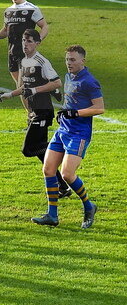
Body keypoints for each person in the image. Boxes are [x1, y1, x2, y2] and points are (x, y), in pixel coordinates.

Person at [31, 45, 103, 228]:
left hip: (79, 134)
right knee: (48, 169)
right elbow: (70, 101)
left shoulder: (90, 81)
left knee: (67, 174)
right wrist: (64, 113)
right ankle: (52, 216)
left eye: (72, 60)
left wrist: (75, 114)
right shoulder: (68, 76)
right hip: (63, 130)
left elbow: (99, 108)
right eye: (67, 59)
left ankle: (89, 206)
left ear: (82, 61)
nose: (69, 63)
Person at [0, 29, 71, 197]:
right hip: (34, 112)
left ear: (37, 43)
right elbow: (24, 87)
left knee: (28, 149)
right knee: (39, 153)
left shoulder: (42, 61)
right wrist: (8, 95)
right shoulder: (24, 61)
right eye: (24, 40)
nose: (25, 44)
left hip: (43, 111)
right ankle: (63, 186)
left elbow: (57, 82)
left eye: (29, 41)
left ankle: (58, 150)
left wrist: (37, 90)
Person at [0, 0, 50, 89]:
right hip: (12, 52)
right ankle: (46, 89)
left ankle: (48, 88)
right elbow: (6, 30)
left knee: (23, 87)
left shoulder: (32, 9)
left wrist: (38, 40)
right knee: (20, 88)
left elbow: (44, 26)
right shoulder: (8, 11)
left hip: (25, 52)